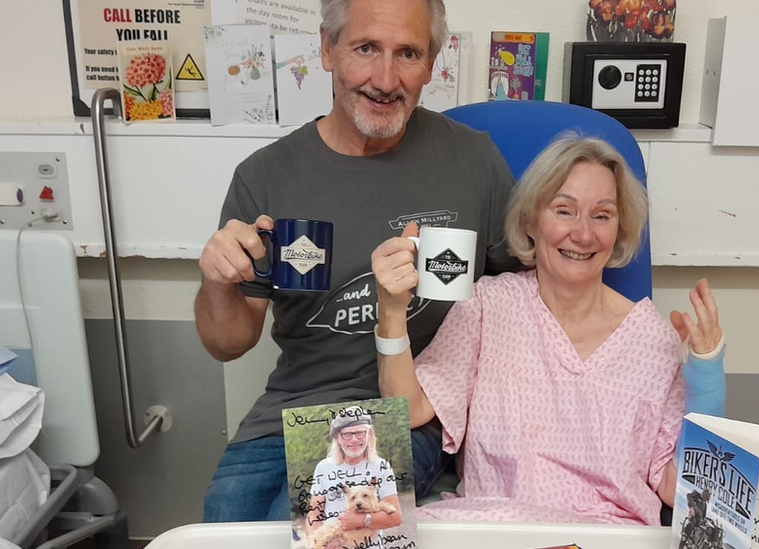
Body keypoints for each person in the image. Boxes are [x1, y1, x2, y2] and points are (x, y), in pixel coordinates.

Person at [197, 0, 518, 522]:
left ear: (432, 64)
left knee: (302, 527)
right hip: (285, 415)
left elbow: (526, 298)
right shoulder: (265, 175)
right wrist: (216, 283)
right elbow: (227, 344)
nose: (385, 78)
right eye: (366, 48)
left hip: (404, 413)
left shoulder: (473, 160)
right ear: (326, 48)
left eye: (408, 53)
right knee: (223, 524)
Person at [372, 134, 726, 525]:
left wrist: (706, 373)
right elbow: (409, 408)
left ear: (619, 229)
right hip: (497, 531)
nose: (584, 234)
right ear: (530, 221)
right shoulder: (488, 305)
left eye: (602, 215)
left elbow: (680, 490)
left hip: (609, 537)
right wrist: (391, 311)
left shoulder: (654, 341)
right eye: (564, 211)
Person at [307, 406, 402, 533]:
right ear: (337, 438)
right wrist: (318, 545)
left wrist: (361, 520)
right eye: (346, 434)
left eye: (360, 433)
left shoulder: (381, 466)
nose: (354, 439)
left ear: (369, 435)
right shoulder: (323, 467)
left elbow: (395, 518)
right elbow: (314, 516)